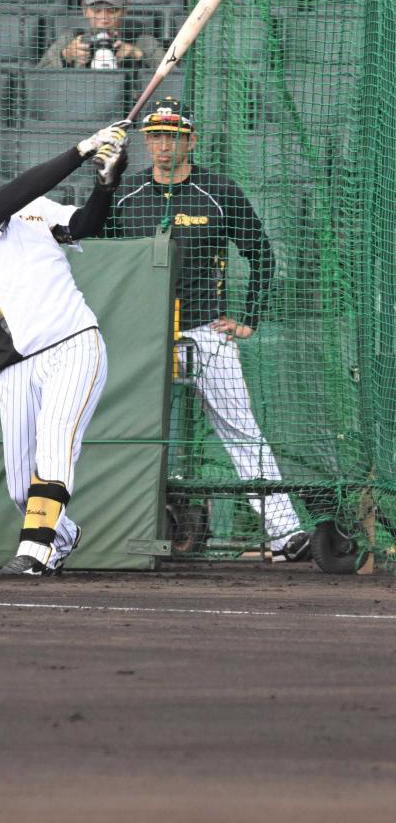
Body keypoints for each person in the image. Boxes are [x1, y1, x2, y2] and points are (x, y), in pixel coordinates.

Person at [107, 97, 310, 562]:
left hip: (206, 332)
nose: (163, 145)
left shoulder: (219, 190)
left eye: (173, 136)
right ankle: (106, 531)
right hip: (140, 335)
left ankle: (285, 535)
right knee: (119, 428)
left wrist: (249, 319)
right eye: (155, 136)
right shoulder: (126, 193)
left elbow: (261, 255)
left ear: (192, 140)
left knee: (242, 430)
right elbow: (100, 255)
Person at [0, 125, 128, 576]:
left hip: (72, 342)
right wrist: (81, 150)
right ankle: (62, 536)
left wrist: (106, 184)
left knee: (54, 447)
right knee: (21, 489)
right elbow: (10, 198)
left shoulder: (36, 208)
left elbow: (85, 224)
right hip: (14, 366)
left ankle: (35, 553)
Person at [37, 0, 162, 73]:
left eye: (112, 10)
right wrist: (65, 56)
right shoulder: (70, 39)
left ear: (125, 9)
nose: (104, 19)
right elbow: (37, 80)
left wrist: (138, 55)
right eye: (96, 10)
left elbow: (170, 81)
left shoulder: (144, 42)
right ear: (84, 9)